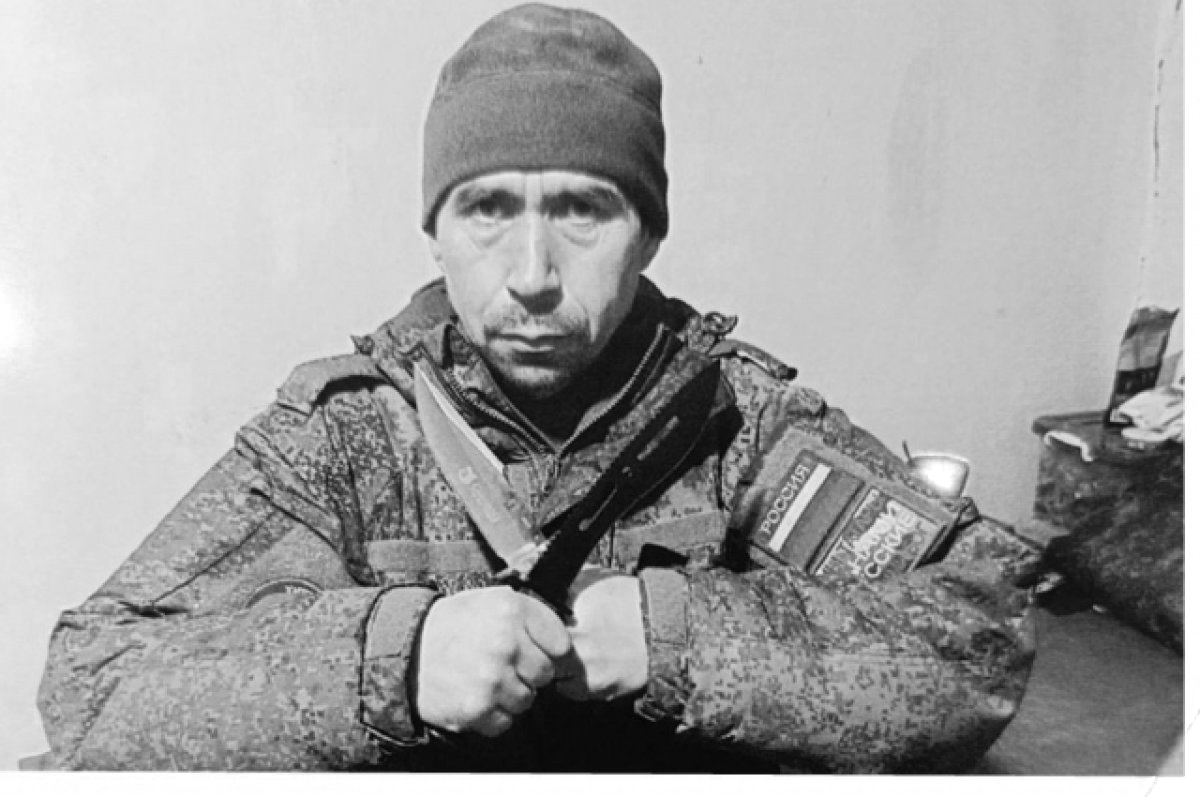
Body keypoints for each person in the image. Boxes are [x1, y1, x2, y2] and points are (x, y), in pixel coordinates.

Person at [36, 3, 1040, 773]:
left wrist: (681, 636)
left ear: (648, 232)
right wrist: (394, 659)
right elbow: (94, 683)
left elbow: (980, 632)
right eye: (486, 209)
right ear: (435, 231)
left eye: (581, 210)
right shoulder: (347, 437)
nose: (530, 274)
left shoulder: (735, 421)